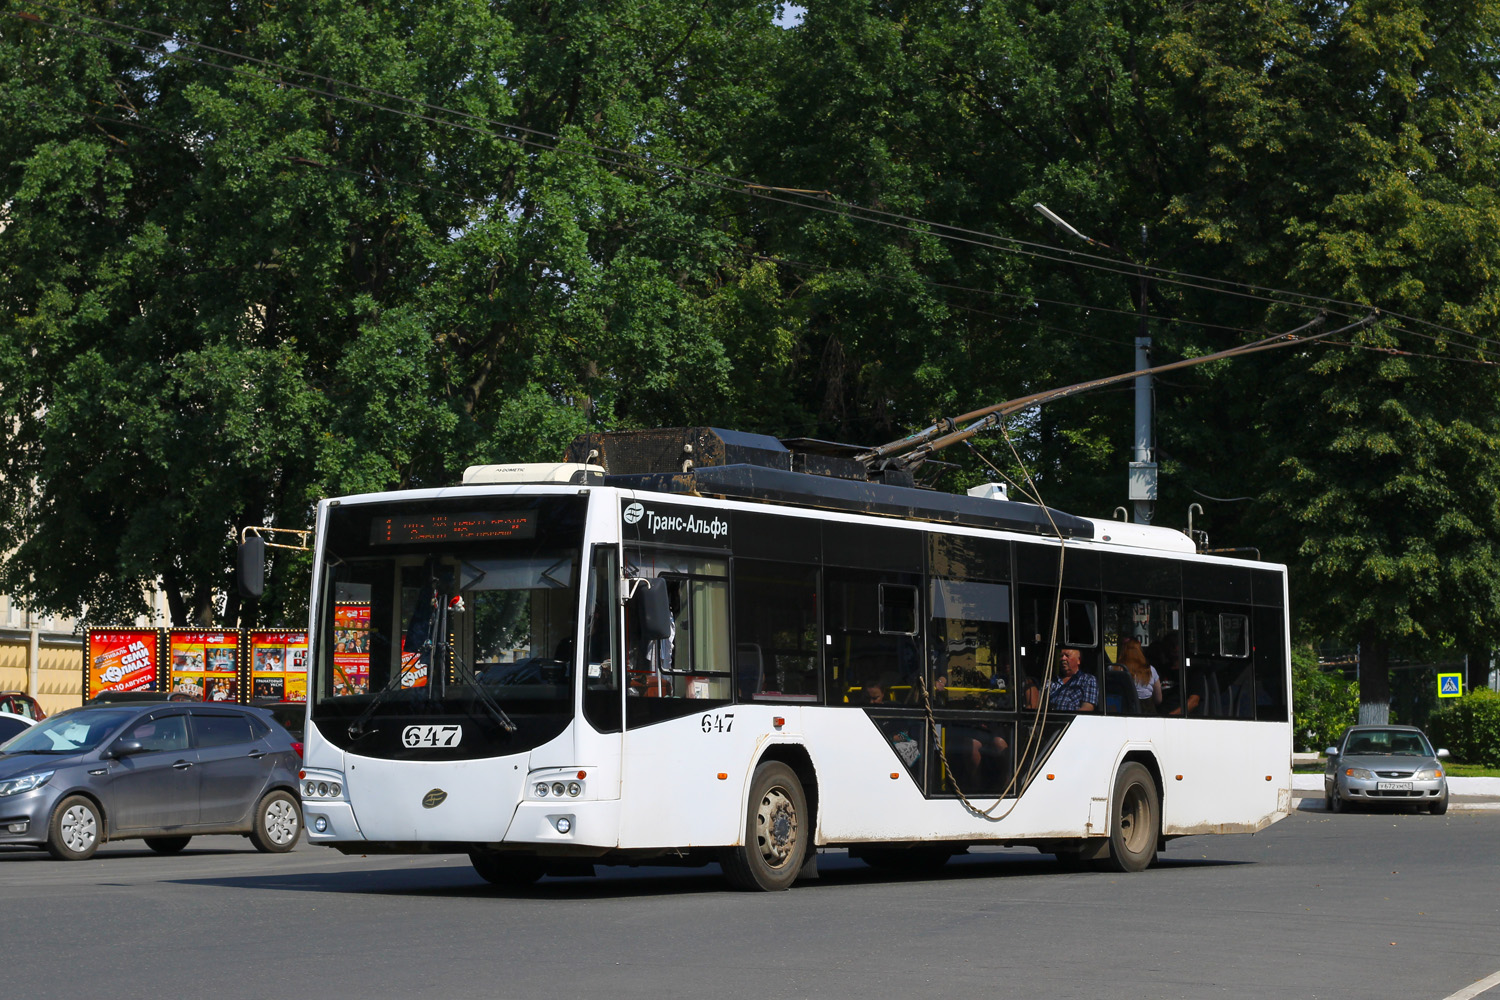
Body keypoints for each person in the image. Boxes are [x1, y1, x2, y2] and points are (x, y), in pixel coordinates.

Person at [1048, 647, 1097, 712]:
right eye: (1061, 656)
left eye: (1067, 656)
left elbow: (1088, 707)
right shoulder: (1051, 681)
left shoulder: (1088, 680)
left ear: (1078, 660)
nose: (1063, 658)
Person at [1120, 638, 1162, 711]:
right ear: (1140, 651)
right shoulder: (1150, 669)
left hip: (1122, 709)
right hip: (1147, 710)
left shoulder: (1114, 668)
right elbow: (1158, 699)